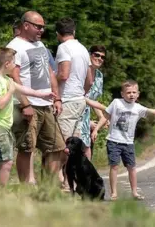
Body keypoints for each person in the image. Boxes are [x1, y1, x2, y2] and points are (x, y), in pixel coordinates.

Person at [91, 80, 155, 201]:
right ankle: (114, 193)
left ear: (138, 94)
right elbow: (105, 116)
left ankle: (134, 192)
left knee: (131, 167)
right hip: (113, 141)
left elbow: (153, 111)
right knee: (114, 166)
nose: (131, 94)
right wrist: (96, 129)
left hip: (128, 143)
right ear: (122, 94)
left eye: (134, 92)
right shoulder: (116, 103)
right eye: (128, 92)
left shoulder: (138, 108)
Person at [8, 11, 65, 184]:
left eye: (43, 27)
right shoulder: (15, 46)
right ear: (26, 25)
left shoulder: (39, 44)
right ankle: (27, 187)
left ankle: (48, 186)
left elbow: (49, 71)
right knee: (27, 147)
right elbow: (13, 77)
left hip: (46, 103)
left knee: (57, 146)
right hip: (27, 105)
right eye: (38, 26)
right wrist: (25, 104)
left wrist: (57, 98)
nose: (41, 30)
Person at [0, 47, 55, 186]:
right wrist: (11, 92)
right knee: (5, 162)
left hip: (3, 127)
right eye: (14, 63)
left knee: (2, 161)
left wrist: (43, 94)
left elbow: (24, 89)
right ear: (7, 64)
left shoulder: (6, 79)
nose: (16, 66)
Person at [55, 17, 93, 190]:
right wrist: (82, 93)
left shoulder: (64, 48)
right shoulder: (83, 49)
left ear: (58, 34)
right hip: (79, 100)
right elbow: (90, 80)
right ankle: (73, 180)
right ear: (74, 31)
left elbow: (63, 74)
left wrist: (49, 80)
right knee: (74, 144)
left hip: (67, 100)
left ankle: (63, 181)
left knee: (62, 144)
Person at [80, 45, 107, 160]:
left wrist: (102, 117)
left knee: (87, 149)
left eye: (102, 57)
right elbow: (79, 97)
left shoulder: (99, 76)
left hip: (86, 114)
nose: (99, 58)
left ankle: (85, 177)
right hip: (75, 112)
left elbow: (92, 99)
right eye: (96, 55)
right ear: (89, 55)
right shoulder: (82, 70)